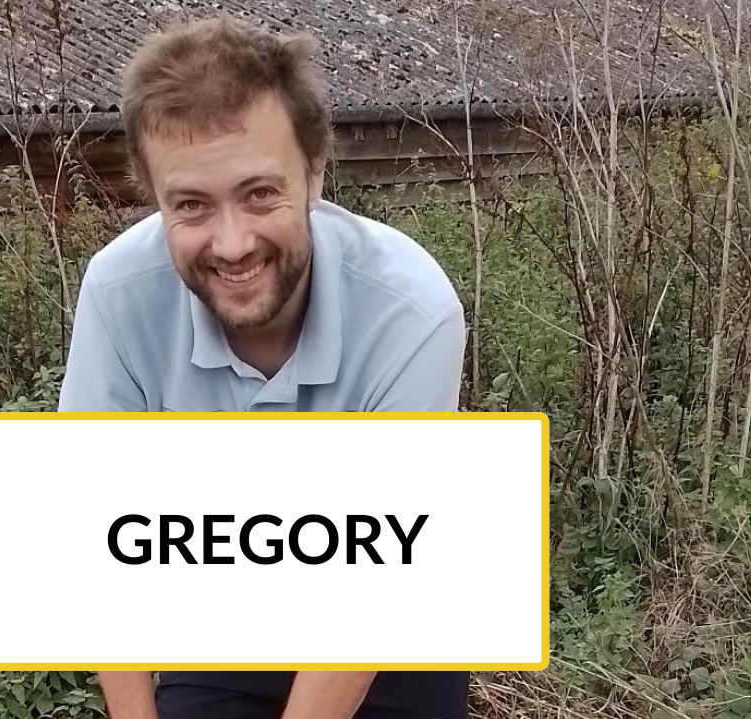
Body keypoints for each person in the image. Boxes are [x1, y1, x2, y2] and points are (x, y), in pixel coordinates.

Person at [58, 14, 469, 719]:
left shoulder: (413, 310)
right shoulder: (117, 293)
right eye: (190, 204)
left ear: (313, 173)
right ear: (153, 199)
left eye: (259, 193)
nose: (231, 242)